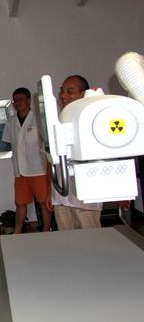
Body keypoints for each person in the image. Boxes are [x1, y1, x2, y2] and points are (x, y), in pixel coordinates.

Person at [52, 75, 105, 229]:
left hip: (86, 197)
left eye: (69, 91)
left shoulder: (94, 119)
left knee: (90, 238)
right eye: (62, 91)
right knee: (67, 240)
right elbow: (51, 159)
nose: (63, 95)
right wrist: (51, 191)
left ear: (83, 94)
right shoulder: (57, 120)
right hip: (61, 196)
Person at [2, 87, 52, 233]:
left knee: (43, 202)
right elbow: (11, 142)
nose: (17, 103)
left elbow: (46, 143)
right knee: (20, 203)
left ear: (29, 100)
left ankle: (46, 231)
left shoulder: (38, 119)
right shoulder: (11, 121)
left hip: (38, 168)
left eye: (20, 99)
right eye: (14, 101)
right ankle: (17, 232)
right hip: (19, 171)